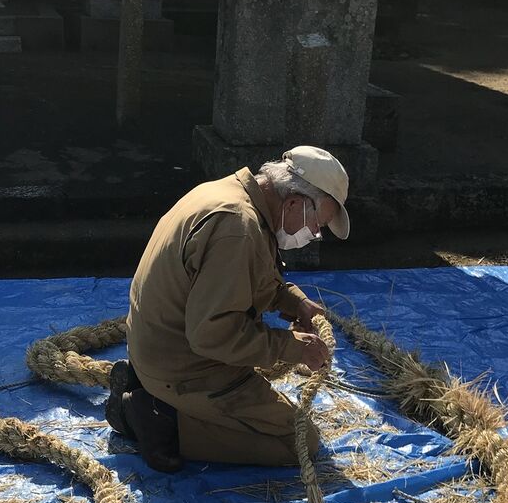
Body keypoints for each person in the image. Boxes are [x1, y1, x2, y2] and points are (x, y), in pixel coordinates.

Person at [106, 145, 351, 473]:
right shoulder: (238, 228)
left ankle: (152, 392)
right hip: (184, 368)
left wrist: (293, 301)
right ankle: (159, 418)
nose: (314, 235)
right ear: (294, 202)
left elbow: (247, 277)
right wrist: (291, 347)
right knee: (300, 441)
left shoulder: (232, 195)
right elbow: (213, 334)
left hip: (156, 348)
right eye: (316, 225)